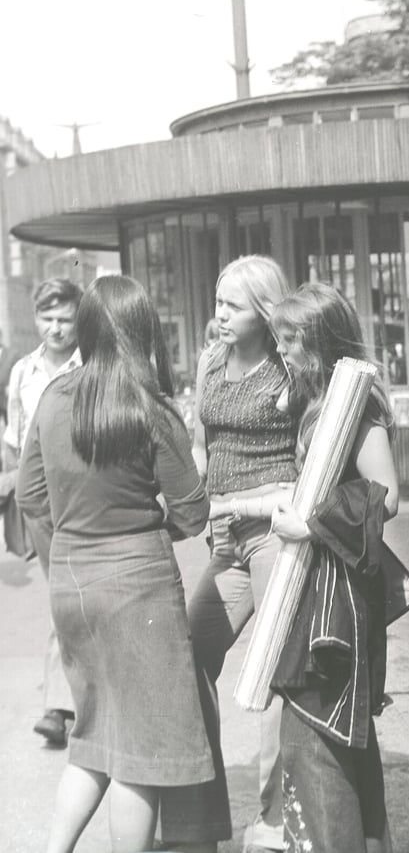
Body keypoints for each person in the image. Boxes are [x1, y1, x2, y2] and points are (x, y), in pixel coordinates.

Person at [15, 275, 213, 853]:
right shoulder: (152, 408)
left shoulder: (53, 395)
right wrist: (156, 524)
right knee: (139, 751)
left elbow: (29, 495)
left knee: (95, 736)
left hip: (73, 588)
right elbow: (194, 512)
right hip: (139, 592)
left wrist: (67, 550)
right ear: (143, 330)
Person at [266, 282, 409, 853]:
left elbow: (388, 495)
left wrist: (311, 524)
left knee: (321, 730)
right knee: (333, 731)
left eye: (291, 339)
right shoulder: (321, 397)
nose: (282, 350)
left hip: (340, 593)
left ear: (323, 342)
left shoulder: (358, 405)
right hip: (323, 582)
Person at [158, 255, 297, 853]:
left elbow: (308, 464)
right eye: (217, 303)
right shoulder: (212, 360)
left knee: (275, 672)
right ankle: (200, 825)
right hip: (226, 538)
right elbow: (201, 444)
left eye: (231, 306)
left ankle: (272, 819)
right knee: (187, 662)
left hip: (272, 534)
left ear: (264, 312)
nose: (218, 316)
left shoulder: (289, 369)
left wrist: (255, 502)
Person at [3, 277, 84, 746]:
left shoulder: (88, 363)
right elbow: (14, 442)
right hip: (40, 501)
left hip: (83, 495)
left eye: (65, 319)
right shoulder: (21, 372)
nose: (55, 329)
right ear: (35, 319)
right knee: (62, 597)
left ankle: (63, 703)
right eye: (47, 319)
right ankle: (62, 703)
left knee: (73, 596)